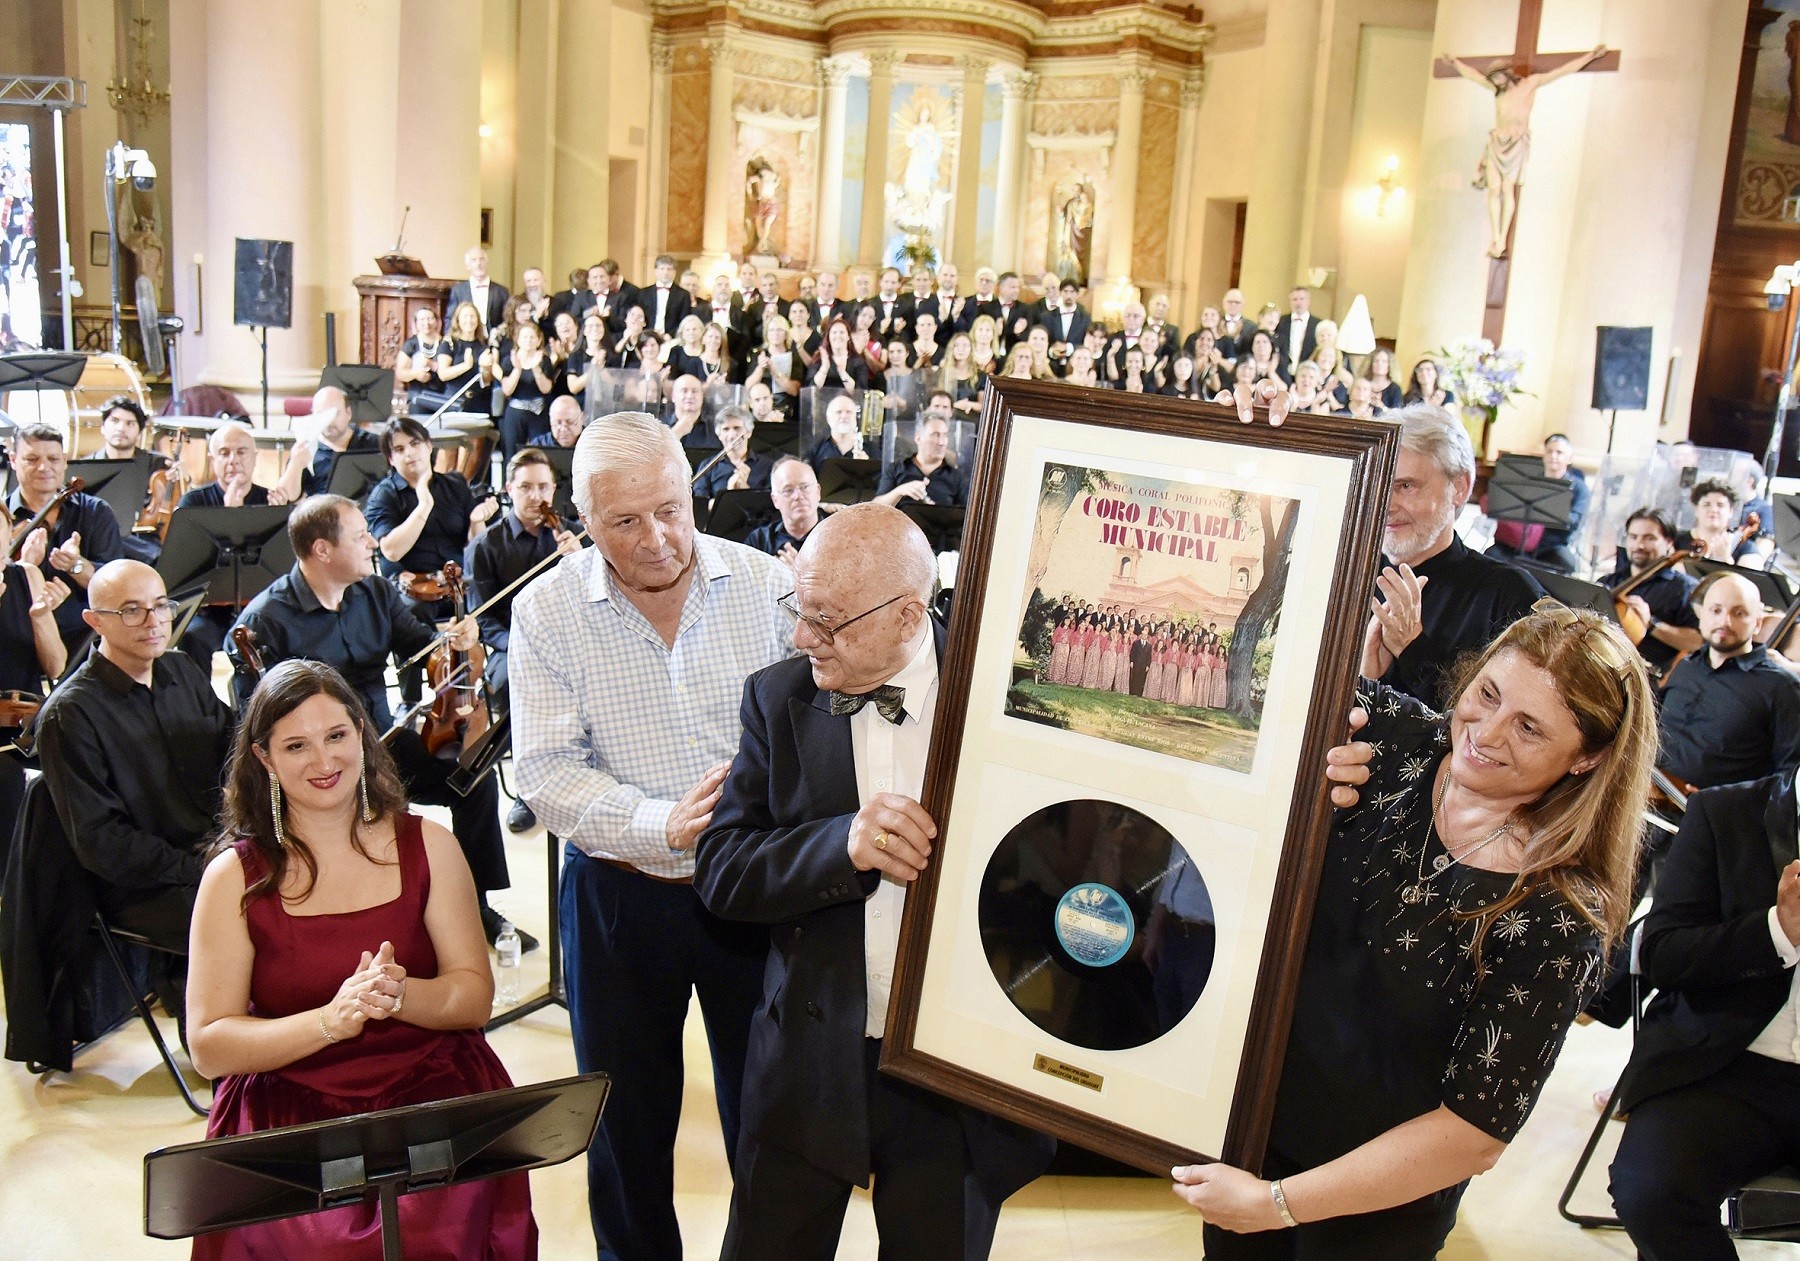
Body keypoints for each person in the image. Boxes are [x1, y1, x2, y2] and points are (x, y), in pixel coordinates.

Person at [1185, 597, 1654, 1258]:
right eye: (1486, 694)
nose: (1486, 732)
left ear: (1586, 758)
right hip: (1253, 1133)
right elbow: (1240, 692)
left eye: (1529, 728)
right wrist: (1300, 762)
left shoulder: (1557, 917)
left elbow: (1472, 1134)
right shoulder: (1394, 737)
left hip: (1370, 1210)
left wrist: (1275, 1204)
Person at [695, 503, 1054, 1260]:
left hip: (952, 1073)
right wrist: (840, 845)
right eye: (799, 609)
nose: (802, 637)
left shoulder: (1011, 698)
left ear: (907, 615)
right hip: (808, 1060)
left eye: (827, 621)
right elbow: (722, 870)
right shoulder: (777, 697)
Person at [508, 412, 794, 1260]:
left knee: (769, 1119)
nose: (658, 538)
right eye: (625, 520)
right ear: (583, 519)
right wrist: (656, 822)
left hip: (752, 889)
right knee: (624, 1130)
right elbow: (546, 771)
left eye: (671, 508)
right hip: (617, 895)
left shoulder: (767, 585)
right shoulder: (547, 611)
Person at [185, 659, 536, 1260]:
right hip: (290, 1110)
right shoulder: (232, 878)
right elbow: (210, 1045)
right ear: (264, 758)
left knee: (440, 1225)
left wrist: (399, 994)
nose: (323, 761)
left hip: (432, 1091)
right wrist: (330, 1021)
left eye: (336, 735)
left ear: (361, 733)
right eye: (296, 746)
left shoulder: (430, 844)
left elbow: (472, 998)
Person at [228, 494, 522, 949]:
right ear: (323, 550)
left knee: (471, 780)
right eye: (360, 535)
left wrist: (457, 643)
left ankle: (474, 902)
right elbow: (255, 720)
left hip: (382, 740)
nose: (373, 542)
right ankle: (387, 915)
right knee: (378, 803)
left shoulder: (376, 592)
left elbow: (424, 649)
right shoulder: (266, 620)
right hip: (322, 762)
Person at [1607, 764, 1800, 1260]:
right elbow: (1663, 954)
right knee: (1650, 1192)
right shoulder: (1724, 812)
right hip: (1724, 1066)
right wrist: (1777, 930)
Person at [34, 559, 231, 1029]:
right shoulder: (70, 715)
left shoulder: (181, 670)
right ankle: (223, 1042)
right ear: (94, 621)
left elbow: (233, 752)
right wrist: (199, 868)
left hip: (210, 856)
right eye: (131, 611)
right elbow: (102, 842)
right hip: (139, 885)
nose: (153, 621)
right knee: (242, 917)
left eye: (161, 606)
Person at [1373, 403, 1544, 705]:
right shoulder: (1345, 572)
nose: (1386, 503)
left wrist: (1412, 649)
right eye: (1379, 485)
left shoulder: (1507, 595)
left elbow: (1510, 716)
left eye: (1406, 486)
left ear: (1459, 488)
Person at [468, 448, 582, 833]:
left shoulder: (572, 534)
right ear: (509, 490)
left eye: (544, 487)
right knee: (507, 684)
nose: (536, 496)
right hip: (512, 643)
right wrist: (521, 647)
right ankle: (526, 788)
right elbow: (484, 619)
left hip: (571, 639)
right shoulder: (486, 546)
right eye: (526, 487)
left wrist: (581, 560)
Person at [1657, 571, 1800, 790]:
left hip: (1708, 810)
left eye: (1739, 613)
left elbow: (1790, 777)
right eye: (1716, 610)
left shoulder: (1782, 687)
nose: (1725, 621)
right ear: (1702, 616)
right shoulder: (1685, 665)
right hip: (1647, 790)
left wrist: (1723, 800)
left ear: (1757, 623)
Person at [7, 422, 124, 653]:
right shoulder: (3, 519)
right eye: (32, 459)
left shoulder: (95, 512)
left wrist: (76, 566)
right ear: (13, 460)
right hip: (18, 633)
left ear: (64, 460)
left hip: (83, 634)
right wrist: (24, 567)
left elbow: (117, 589)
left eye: (53, 459)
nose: (44, 467)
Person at [1600, 507, 1701, 680]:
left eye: (1649, 538)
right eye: (1633, 537)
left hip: (1648, 679)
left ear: (1669, 542)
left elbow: (1698, 642)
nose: (1639, 546)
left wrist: (1652, 624)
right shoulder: (1607, 583)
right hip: (1602, 670)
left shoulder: (1685, 588)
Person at [276, 385, 383, 500]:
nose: (329, 421)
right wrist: (295, 464)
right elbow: (286, 496)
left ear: (348, 413)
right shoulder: (306, 447)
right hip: (324, 508)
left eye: (335, 413)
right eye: (321, 414)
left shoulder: (374, 443)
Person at [876, 413, 964, 509]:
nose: (942, 442)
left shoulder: (956, 477)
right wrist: (899, 491)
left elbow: (967, 513)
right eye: (935, 435)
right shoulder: (896, 469)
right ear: (918, 438)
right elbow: (873, 508)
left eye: (945, 435)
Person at [498, 320, 557, 463]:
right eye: (524, 337)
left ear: (538, 340)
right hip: (515, 412)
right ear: (518, 340)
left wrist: (536, 369)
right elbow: (507, 390)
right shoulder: (508, 360)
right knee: (512, 455)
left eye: (532, 337)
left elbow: (546, 389)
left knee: (540, 454)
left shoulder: (544, 360)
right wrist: (517, 369)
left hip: (538, 411)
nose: (528, 340)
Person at [745, 455, 820, 565]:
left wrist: (798, 573)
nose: (798, 496)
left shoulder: (839, 535)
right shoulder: (758, 541)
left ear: (818, 492)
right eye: (788, 490)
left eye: (804, 487)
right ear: (775, 500)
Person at [1676, 477, 1760, 565]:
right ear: (1696, 510)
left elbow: (1752, 571)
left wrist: (1725, 559)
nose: (1713, 510)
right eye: (1707, 505)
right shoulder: (1677, 540)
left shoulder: (1746, 547)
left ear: (1730, 512)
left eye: (1720, 505)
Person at [694, 405, 773, 499]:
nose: (731, 435)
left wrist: (744, 488)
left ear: (749, 432)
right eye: (726, 429)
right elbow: (700, 503)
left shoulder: (768, 465)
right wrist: (727, 495)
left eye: (737, 428)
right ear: (719, 435)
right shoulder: (707, 466)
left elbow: (771, 503)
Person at [395, 305, 450, 414]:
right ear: (416, 323)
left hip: (443, 396)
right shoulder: (411, 344)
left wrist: (432, 365)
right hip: (418, 396)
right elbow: (400, 372)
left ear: (437, 321)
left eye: (430, 318)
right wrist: (416, 374)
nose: (426, 323)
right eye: (422, 319)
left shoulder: (446, 343)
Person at [446, 245, 509, 332]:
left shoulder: (502, 292)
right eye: (474, 260)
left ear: (487, 263)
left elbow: (507, 320)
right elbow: (450, 318)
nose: (478, 263)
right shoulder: (458, 291)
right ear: (468, 266)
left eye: (481, 259)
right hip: (466, 338)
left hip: (493, 338)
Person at [807, 393, 871, 473]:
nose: (844, 416)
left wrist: (867, 467)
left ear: (855, 418)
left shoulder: (872, 450)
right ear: (828, 419)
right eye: (838, 412)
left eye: (849, 412)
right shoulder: (816, 451)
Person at [635, 253, 693, 338]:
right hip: (647, 337)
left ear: (674, 272)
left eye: (669, 269)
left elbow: (685, 320)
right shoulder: (643, 293)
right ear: (655, 271)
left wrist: (670, 335)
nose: (665, 273)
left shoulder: (683, 295)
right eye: (662, 269)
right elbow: (639, 317)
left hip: (672, 338)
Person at [664, 373, 720, 453]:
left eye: (694, 391)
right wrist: (676, 433)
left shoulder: (716, 427)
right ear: (673, 396)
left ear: (702, 396)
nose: (690, 396)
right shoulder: (658, 425)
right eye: (684, 391)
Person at [1274, 285, 1319, 373]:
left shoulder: (1318, 324)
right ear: (1290, 302)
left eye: (1302, 299)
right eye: (1295, 299)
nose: (1298, 303)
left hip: (1308, 373)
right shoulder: (1280, 321)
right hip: (1283, 372)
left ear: (1308, 301)